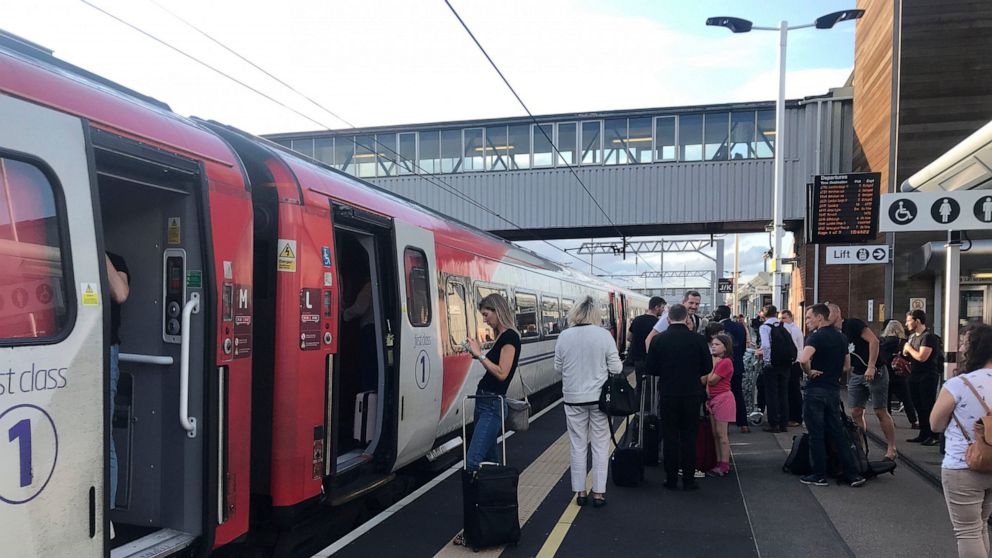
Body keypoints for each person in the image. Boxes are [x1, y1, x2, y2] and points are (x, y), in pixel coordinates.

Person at [930, 324, 992, 558]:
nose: (961, 347)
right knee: (981, 524)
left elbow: (935, 424)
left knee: (967, 530)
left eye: (965, 343)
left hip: (962, 464)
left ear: (974, 350)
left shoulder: (959, 384)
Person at [555, 296, 622, 508]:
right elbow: (617, 369)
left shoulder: (564, 336)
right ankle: (599, 493)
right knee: (601, 445)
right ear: (596, 314)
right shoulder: (603, 336)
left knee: (577, 444)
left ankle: (580, 492)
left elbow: (558, 367)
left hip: (573, 398)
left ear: (574, 313)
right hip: (599, 399)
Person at [797, 304, 867, 488]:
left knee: (816, 433)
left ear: (820, 318)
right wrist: (832, 371)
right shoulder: (842, 337)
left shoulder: (815, 337)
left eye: (809, 317)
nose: (807, 321)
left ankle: (819, 474)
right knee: (838, 433)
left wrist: (809, 371)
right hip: (833, 390)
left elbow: (803, 359)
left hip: (816, 390)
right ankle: (852, 474)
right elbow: (846, 366)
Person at [645, 304, 712, 490]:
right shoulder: (698, 340)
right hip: (692, 393)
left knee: (670, 436)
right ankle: (689, 479)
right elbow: (707, 367)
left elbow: (651, 368)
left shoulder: (659, 340)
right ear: (686, 319)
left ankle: (671, 479)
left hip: (668, 393)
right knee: (690, 436)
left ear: (668, 319)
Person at [463, 293, 521, 470]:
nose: (485, 320)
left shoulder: (510, 337)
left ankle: (477, 496)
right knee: (490, 458)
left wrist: (480, 355)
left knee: (473, 461)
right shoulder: (501, 337)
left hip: (492, 404)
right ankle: (494, 496)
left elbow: (502, 373)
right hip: (484, 401)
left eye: (486, 315)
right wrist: (477, 354)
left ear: (498, 311)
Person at [834, 306, 897, 460]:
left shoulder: (852, 324)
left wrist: (871, 366)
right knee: (855, 411)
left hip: (875, 370)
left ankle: (891, 447)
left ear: (836, 314)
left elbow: (873, 341)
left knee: (880, 410)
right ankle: (860, 446)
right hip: (856, 372)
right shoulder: (834, 334)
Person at [106, 252, 129, 537]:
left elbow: (120, 293)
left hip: (104, 351)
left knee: (102, 437)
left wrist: (98, 251)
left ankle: (105, 517)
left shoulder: (115, 260)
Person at [904, 310, 941, 446]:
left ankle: (934, 435)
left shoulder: (929, 337)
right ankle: (923, 433)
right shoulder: (913, 337)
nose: (906, 323)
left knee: (927, 405)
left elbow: (922, 357)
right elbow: (907, 354)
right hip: (914, 374)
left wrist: (908, 348)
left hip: (927, 375)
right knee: (918, 405)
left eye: (909, 320)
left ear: (917, 321)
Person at [702, 333, 735, 476]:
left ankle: (724, 464)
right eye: (712, 345)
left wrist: (711, 367)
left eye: (717, 345)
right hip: (712, 400)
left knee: (722, 434)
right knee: (715, 433)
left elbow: (711, 380)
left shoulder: (725, 362)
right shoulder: (716, 362)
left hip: (723, 399)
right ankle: (718, 461)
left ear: (725, 347)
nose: (713, 347)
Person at [715, 305, 749, 433]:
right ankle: (743, 423)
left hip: (723, 365)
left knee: (722, 395)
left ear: (718, 315)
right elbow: (743, 346)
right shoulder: (740, 327)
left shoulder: (719, 328)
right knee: (738, 393)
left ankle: (725, 425)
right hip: (737, 364)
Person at [756, 305, 790, 433]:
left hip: (772, 364)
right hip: (785, 363)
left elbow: (766, 345)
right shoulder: (783, 325)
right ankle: (784, 423)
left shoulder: (765, 327)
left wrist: (767, 361)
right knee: (783, 392)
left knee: (771, 393)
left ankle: (773, 423)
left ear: (763, 315)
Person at [880, 319, 919, 429]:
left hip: (886, 373)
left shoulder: (882, 341)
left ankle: (889, 421)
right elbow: (907, 356)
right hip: (899, 374)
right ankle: (913, 421)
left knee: (886, 400)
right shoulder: (902, 342)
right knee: (906, 399)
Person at [779, 310, 805, 427]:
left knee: (793, 391)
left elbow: (790, 347)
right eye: (780, 318)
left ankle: (795, 417)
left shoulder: (792, 330)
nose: (781, 321)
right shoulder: (792, 329)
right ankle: (791, 416)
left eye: (784, 318)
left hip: (794, 363)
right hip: (793, 362)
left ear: (791, 318)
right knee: (790, 390)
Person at [628, 297, 665, 375]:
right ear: (656, 307)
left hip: (637, 358)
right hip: (651, 358)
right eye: (662, 307)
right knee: (650, 384)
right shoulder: (659, 323)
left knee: (639, 382)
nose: (663, 310)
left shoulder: (637, 319)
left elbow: (629, 337)